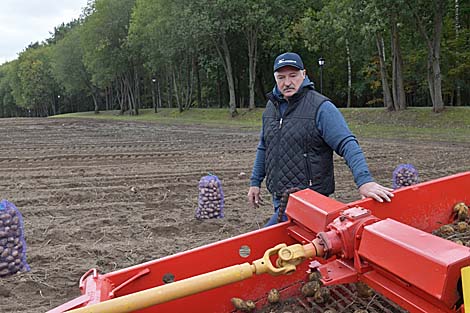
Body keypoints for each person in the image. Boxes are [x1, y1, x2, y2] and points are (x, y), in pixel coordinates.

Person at [247, 52, 394, 227]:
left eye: (293, 76)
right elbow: (265, 146)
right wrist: (255, 182)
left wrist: (365, 181)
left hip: (312, 201)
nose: (287, 82)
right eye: (281, 77)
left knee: (266, 244)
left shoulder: (321, 108)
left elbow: (347, 144)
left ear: (304, 74)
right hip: (280, 199)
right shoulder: (272, 108)